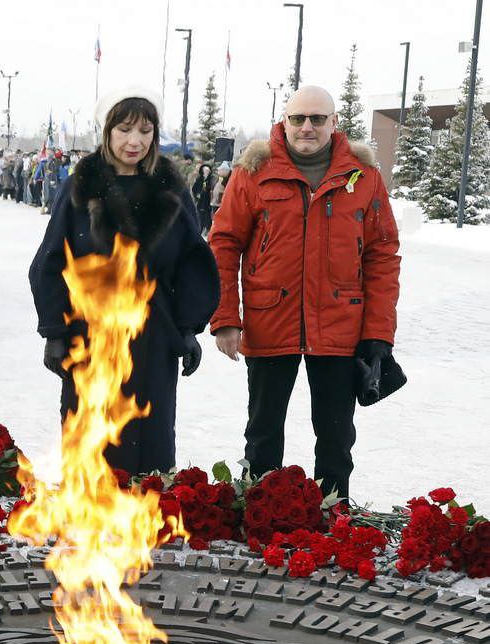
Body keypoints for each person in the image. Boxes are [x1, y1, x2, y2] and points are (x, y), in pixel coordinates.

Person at [208, 85, 400, 499]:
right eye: (298, 118)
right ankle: (261, 516)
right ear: (285, 121)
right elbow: (223, 244)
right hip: (269, 321)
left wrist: (378, 333)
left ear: (334, 122)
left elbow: (382, 256)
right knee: (262, 437)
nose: (307, 127)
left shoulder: (363, 178)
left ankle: (334, 521)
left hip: (339, 327)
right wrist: (225, 318)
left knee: (336, 442)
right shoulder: (254, 172)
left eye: (317, 118)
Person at [29, 87, 219, 475]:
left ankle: (146, 499)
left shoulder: (170, 187)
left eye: (145, 131)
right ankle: (90, 500)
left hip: (154, 330)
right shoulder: (82, 186)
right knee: (92, 429)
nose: (135, 141)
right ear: (107, 131)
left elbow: (191, 260)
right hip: (91, 329)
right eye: (125, 130)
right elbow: (51, 260)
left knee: (150, 429)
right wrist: (54, 331)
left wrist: (188, 329)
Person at [191, 162, 215, 235]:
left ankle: (207, 229)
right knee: (200, 215)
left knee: (208, 216)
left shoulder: (211, 179)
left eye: (208, 170)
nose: (206, 172)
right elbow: (194, 188)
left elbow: (212, 188)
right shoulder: (199, 179)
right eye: (205, 170)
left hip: (208, 200)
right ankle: (200, 229)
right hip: (200, 201)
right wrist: (196, 194)